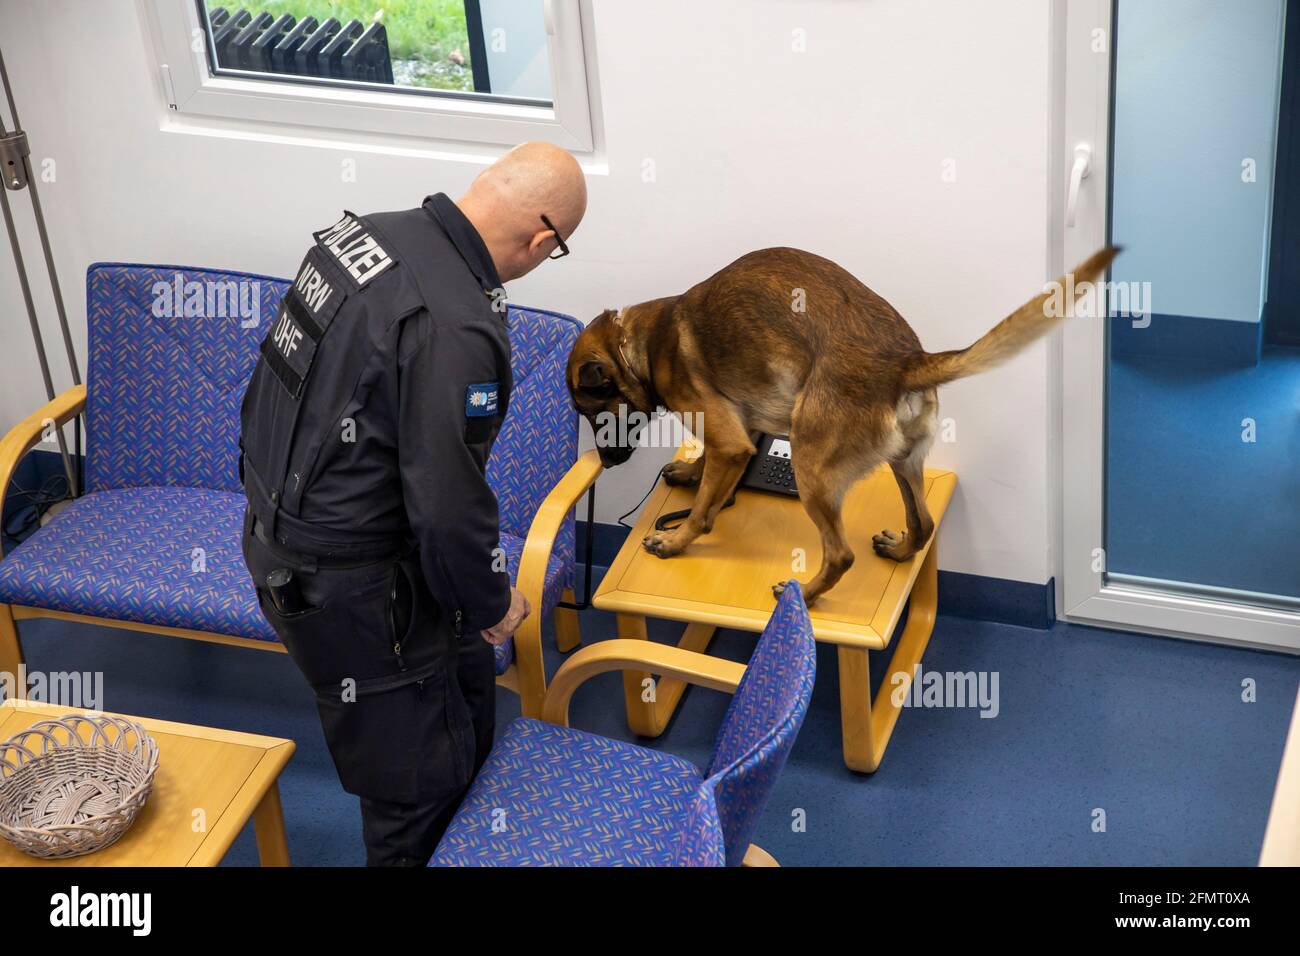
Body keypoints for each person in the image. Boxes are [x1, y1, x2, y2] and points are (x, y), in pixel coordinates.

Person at [239, 142, 587, 865]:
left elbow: (277, 385)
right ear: (542, 239)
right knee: (417, 787)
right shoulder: (455, 324)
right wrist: (494, 605)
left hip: (277, 536)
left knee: (458, 723)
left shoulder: (360, 235)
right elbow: (448, 506)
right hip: (360, 589)